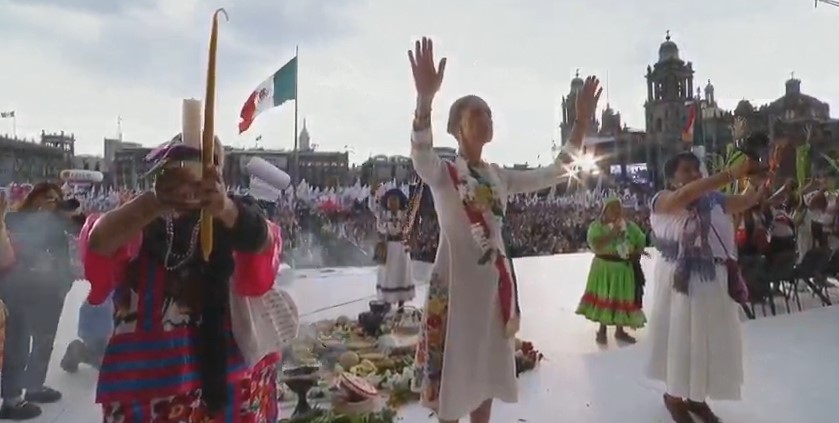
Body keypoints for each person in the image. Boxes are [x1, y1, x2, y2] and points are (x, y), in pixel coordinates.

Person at [407, 37, 601, 423]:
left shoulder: (499, 177)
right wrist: (424, 99)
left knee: (488, 374)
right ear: (457, 128)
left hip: (495, 289)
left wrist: (580, 124)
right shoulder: (443, 173)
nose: (486, 119)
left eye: (490, 114)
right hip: (456, 286)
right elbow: (419, 151)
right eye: (477, 113)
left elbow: (556, 171)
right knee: (453, 378)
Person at [80, 134, 282, 422]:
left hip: (235, 379)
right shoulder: (139, 218)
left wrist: (223, 207)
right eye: (178, 169)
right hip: (152, 385)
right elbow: (99, 243)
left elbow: (262, 245)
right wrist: (156, 202)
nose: (190, 184)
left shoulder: (236, 216)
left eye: (199, 169)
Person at [648, 151, 767, 423]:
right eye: (686, 170)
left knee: (708, 341)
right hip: (682, 282)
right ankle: (674, 397)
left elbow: (746, 201)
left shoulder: (714, 199)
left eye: (697, 169)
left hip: (715, 278)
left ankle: (697, 397)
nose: (695, 174)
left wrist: (755, 182)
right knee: (682, 339)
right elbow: (682, 198)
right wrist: (730, 174)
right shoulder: (662, 199)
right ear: (670, 177)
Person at [0, 183, 81, 420]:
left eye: (57, 198)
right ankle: (12, 397)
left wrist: (67, 213)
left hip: (50, 289)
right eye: (48, 198)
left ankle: (34, 387)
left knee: (44, 341)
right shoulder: (16, 218)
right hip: (19, 290)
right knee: (18, 341)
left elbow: (81, 226)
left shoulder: (57, 222)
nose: (53, 202)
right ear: (34, 198)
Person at [575, 197, 647, 344]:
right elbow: (594, 243)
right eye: (612, 208)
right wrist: (611, 234)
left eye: (618, 208)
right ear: (605, 210)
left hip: (623, 269)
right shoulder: (597, 226)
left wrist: (637, 251)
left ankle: (620, 331)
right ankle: (601, 330)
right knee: (605, 296)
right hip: (604, 268)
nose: (616, 211)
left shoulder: (629, 226)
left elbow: (640, 238)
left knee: (621, 297)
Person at [372, 188, 414, 308]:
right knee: (387, 274)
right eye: (390, 200)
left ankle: (401, 303)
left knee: (402, 273)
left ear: (400, 201)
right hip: (388, 248)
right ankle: (387, 302)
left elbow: (408, 227)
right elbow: (377, 219)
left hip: (401, 248)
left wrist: (405, 231)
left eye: (395, 200)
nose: (393, 203)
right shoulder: (383, 214)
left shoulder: (405, 214)